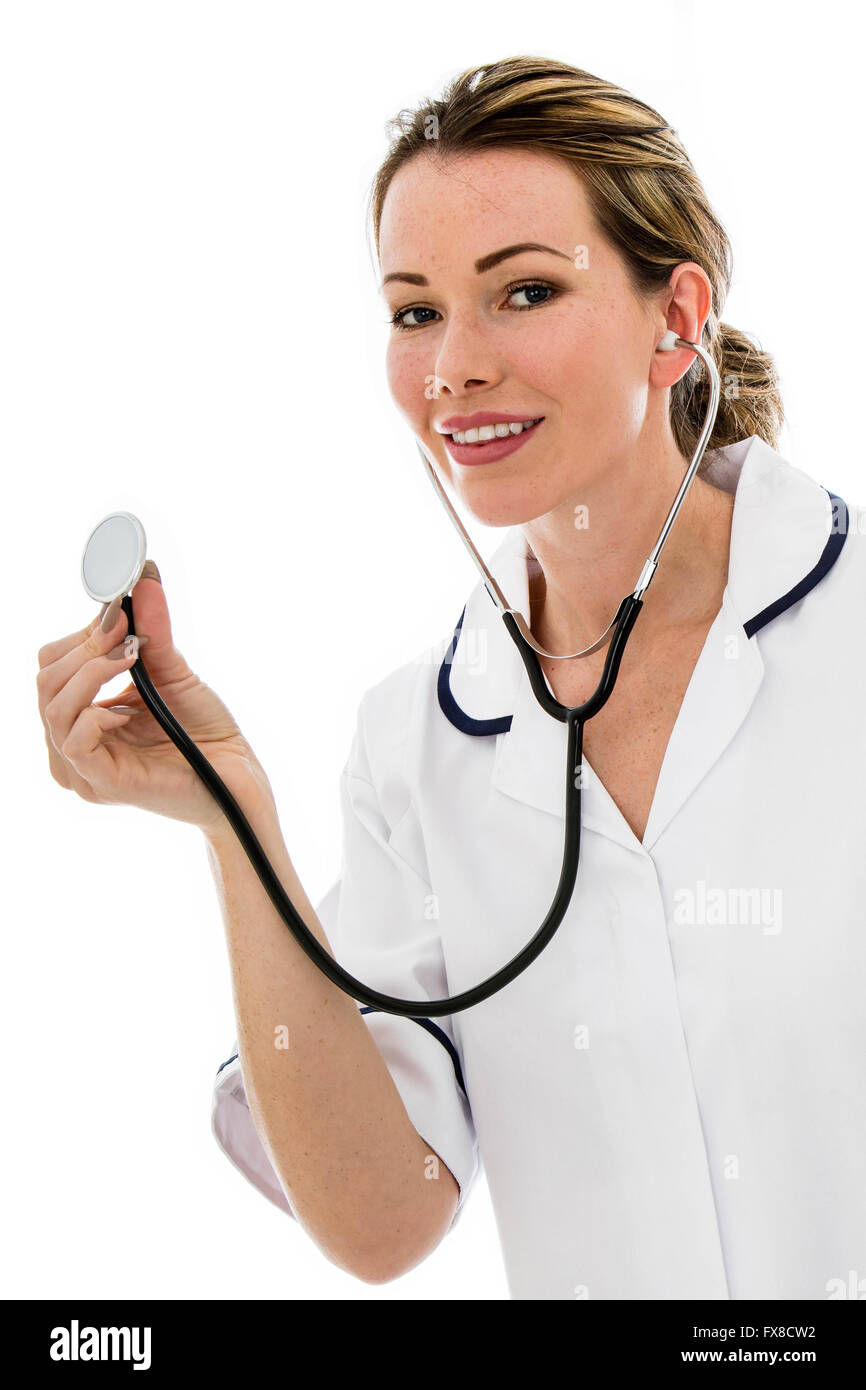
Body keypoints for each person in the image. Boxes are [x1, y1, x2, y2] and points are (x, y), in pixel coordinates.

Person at [36, 56, 866, 1301]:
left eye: (523, 291)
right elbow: (382, 1220)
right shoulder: (416, 743)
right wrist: (233, 821)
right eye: (414, 309)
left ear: (676, 319)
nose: (451, 368)